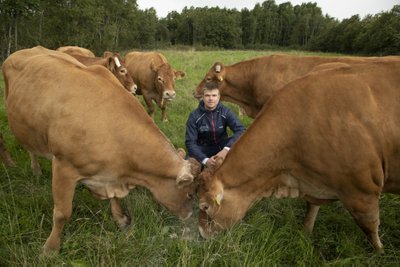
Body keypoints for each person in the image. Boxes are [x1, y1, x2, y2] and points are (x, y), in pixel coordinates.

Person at [185, 83, 245, 168]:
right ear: (203, 97)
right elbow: (190, 142)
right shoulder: (194, 116)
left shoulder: (226, 112)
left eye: (214, 95)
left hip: (222, 146)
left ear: (219, 97)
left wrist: (226, 149)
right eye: (207, 95)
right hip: (202, 148)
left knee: (241, 144)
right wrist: (205, 160)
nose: (211, 99)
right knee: (189, 166)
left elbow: (241, 130)